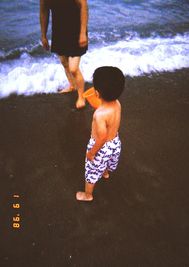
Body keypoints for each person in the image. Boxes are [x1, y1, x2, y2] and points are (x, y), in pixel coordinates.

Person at [76, 66, 125, 201]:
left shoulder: (99, 115)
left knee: (92, 170)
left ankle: (88, 195)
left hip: (101, 148)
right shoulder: (117, 104)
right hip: (115, 143)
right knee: (108, 161)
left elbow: (102, 137)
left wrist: (92, 152)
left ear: (96, 93)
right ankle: (105, 173)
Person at [40, 0, 88, 109]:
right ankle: (72, 85)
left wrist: (82, 33)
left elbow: (83, 6)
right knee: (64, 63)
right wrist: (43, 35)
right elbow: (44, 11)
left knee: (73, 68)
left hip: (76, 31)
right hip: (58, 31)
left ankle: (81, 97)